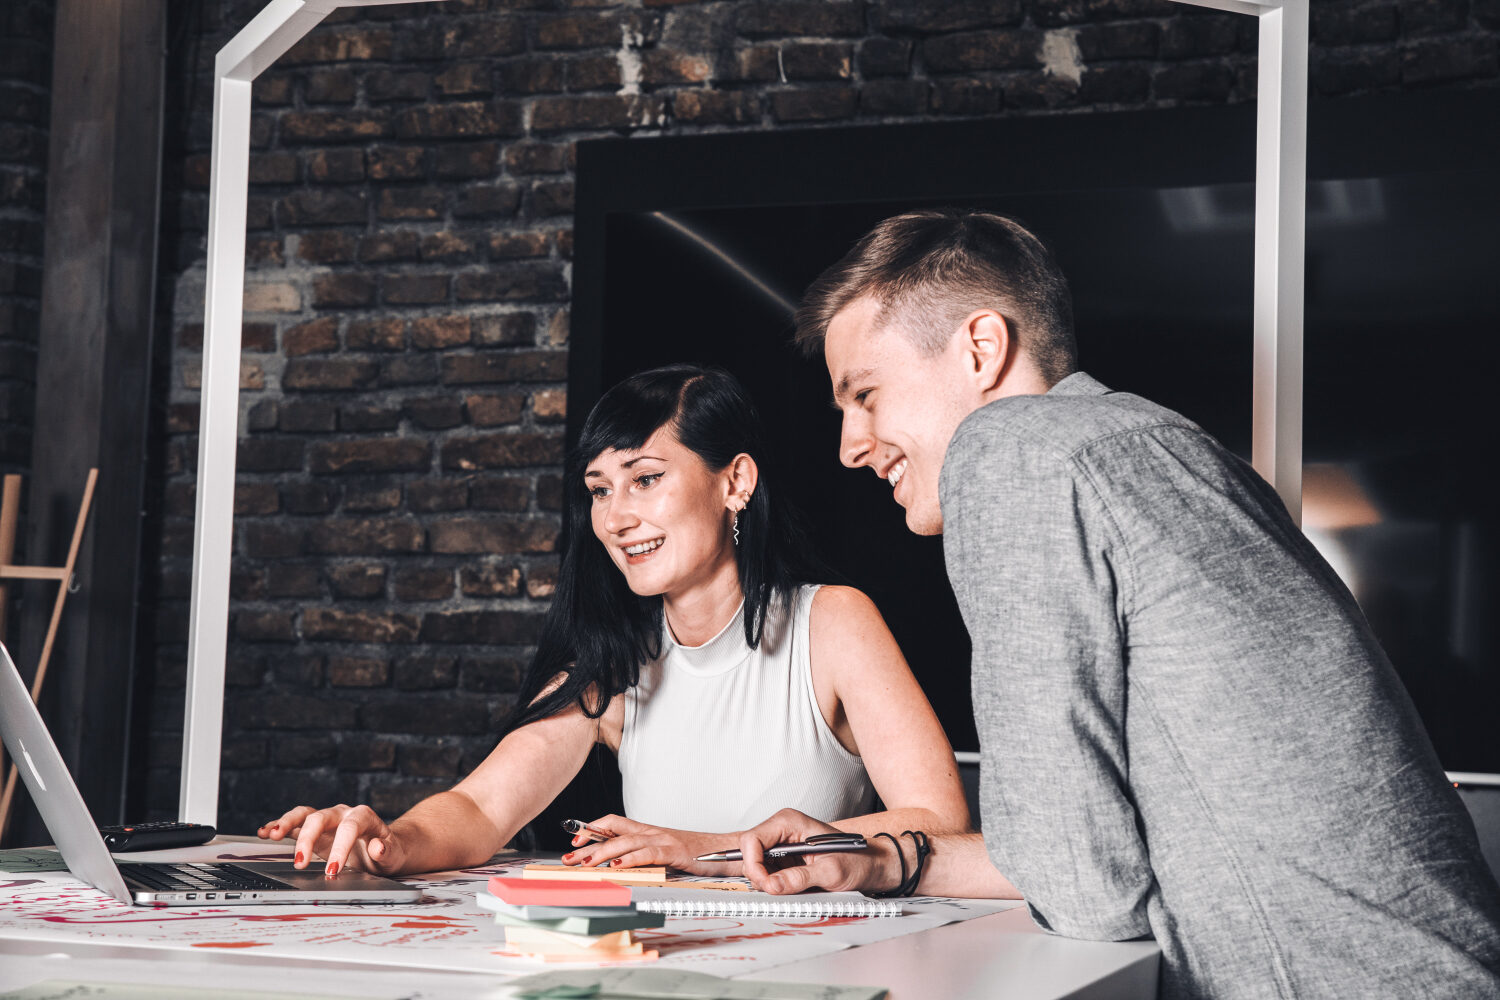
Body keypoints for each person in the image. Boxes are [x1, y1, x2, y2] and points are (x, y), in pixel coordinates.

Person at [734, 209, 1500, 997]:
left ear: (981, 349)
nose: (849, 445)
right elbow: (1109, 847)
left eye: (865, 393)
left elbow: (1087, 890)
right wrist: (887, 859)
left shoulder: (1014, 451)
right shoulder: (1161, 445)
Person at [259, 364, 970, 877]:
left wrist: (706, 848)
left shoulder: (834, 622)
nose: (616, 516)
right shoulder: (616, 657)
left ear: (736, 482)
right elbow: (479, 810)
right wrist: (391, 840)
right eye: (600, 489)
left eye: (646, 479)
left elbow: (938, 823)